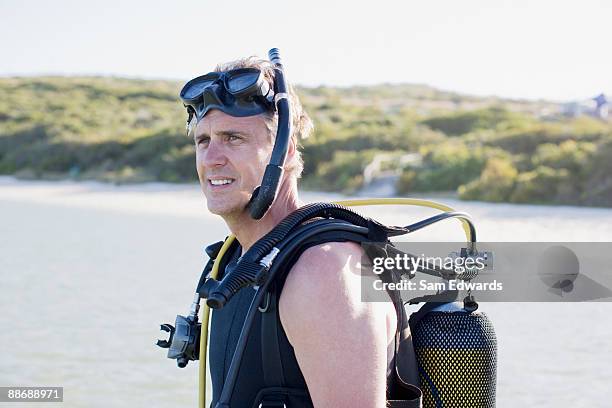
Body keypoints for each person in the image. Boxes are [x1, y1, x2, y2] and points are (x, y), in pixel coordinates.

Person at [189, 56, 400, 408]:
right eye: (203, 140)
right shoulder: (237, 261)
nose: (211, 158)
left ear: (284, 151)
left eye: (233, 138)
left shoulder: (323, 271)